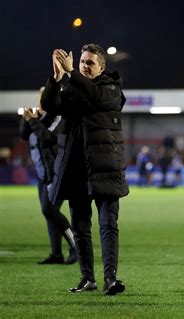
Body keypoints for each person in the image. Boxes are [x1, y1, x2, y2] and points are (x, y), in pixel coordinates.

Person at [41, 44, 129, 295]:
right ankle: (87, 278)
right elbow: (50, 105)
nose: (83, 66)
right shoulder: (72, 85)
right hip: (75, 169)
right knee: (80, 229)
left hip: (105, 168)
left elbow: (94, 97)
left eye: (90, 63)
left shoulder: (111, 88)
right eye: (81, 62)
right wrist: (57, 77)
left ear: (102, 67)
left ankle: (110, 279)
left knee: (108, 225)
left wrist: (72, 75)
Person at [19, 91, 77, 265]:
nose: (43, 101)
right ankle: (56, 254)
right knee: (49, 214)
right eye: (41, 97)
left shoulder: (60, 117)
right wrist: (27, 119)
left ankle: (76, 247)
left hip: (56, 173)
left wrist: (33, 121)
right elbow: (24, 136)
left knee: (49, 210)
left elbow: (49, 138)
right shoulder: (42, 117)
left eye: (47, 97)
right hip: (43, 174)